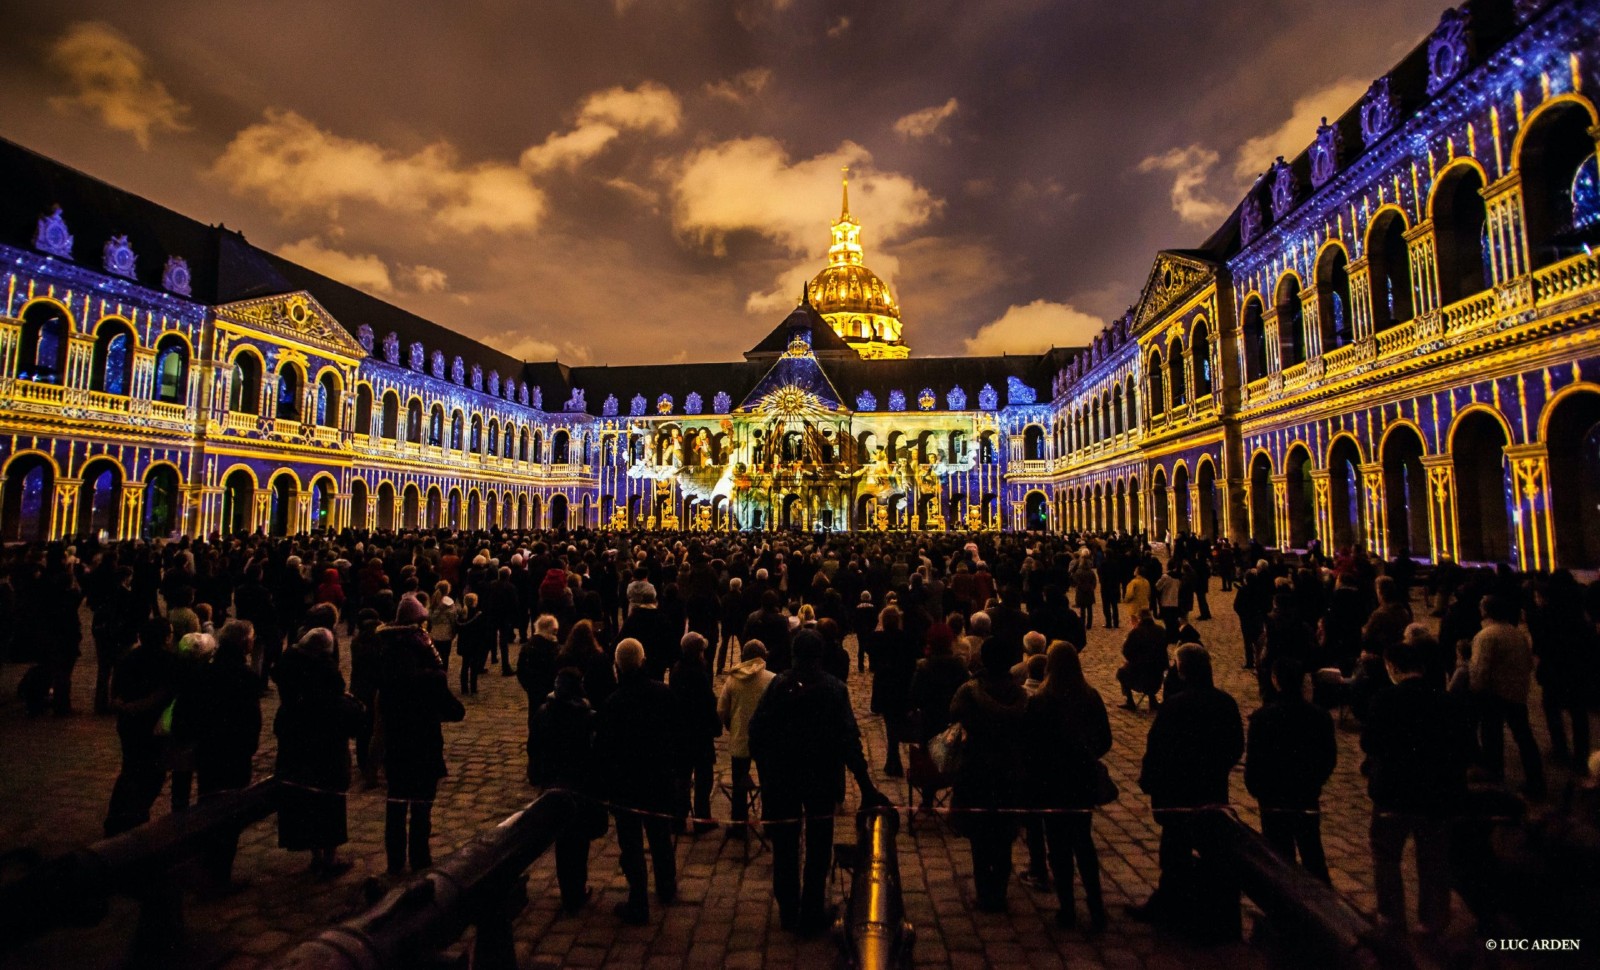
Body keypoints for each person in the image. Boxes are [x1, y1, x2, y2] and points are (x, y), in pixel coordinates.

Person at [750, 629, 888, 934]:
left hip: (784, 779)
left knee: (785, 847)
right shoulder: (833, 689)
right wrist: (864, 783)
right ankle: (811, 910)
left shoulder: (778, 685)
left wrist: (768, 769)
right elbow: (849, 739)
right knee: (818, 847)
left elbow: (756, 730)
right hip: (820, 777)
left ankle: (788, 909)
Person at [1361, 638, 1474, 937]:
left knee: (1386, 856)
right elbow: (1467, 749)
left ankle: (1390, 915)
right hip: (1437, 794)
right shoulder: (1448, 702)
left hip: (1393, 794)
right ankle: (1432, 920)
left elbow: (1369, 742)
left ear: (1393, 668)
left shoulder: (1384, 700)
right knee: (1434, 858)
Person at [1132, 645, 1243, 940]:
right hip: (1211, 788)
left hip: (1178, 791)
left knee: (1174, 851)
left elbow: (1157, 748)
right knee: (1209, 849)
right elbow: (1235, 746)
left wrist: (1149, 780)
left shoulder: (1176, 705)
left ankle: (1176, 906)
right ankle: (1203, 909)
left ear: (1182, 671)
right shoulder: (1225, 703)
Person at [592, 638, 680, 925]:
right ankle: (667, 888)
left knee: (631, 847)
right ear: (642, 661)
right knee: (660, 839)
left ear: (618, 666)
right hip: (658, 781)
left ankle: (639, 900)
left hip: (626, 786)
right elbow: (676, 738)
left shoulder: (613, 703)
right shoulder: (663, 694)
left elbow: (603, 750)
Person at [376, 596, 466, 876]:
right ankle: (419, 856)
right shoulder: (428, 674)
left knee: (396, 800)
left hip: (395, 738)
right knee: (421, 802)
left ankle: (394, 860)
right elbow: (454, 709)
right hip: (423, 740)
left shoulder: (385, 653)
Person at [1026, 642, 1111, 930]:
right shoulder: (1090, 696)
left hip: (1051, 780)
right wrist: (1088, 756)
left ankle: (1068, 908)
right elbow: (1105, 739)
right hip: (1081, 779)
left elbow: (1031, 744)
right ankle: (1096, 906)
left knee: (1059, 846)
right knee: (1084, 843)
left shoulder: (1041, 700)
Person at [171, 621, 260, 888]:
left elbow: (185, 713)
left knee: (208, 802)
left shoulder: (204, 673)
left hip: (207, 750)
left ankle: (207, 862)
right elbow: (251, 721)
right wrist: (248, 747)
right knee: (229, 812)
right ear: (245, 644)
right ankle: (219, 874)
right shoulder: (245, 678)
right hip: (234, 752)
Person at [272, 627, 361, 879]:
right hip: (325, 746)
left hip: (296, 742)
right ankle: (328, 856)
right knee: (328, 799)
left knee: (307, 797)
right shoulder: (324, 675)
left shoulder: (291, 669)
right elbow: (339, 712)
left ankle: (316, 854)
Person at [949, 636, 1030, 913]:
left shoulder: (970, 691)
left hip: (978, 769)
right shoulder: (1020, 695)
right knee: (1004, 833)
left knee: (981, 835)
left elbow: (954, 714)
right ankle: (1000, 890)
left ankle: (985, 892)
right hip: (1008, 770)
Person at [1244, 657, 1336, 883]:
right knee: (1312, 854)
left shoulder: (1263, 717)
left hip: (1273, 798)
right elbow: (1328, 757)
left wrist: (1258, 789)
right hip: (1306, 794)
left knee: (1278, 855)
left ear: (1275, 681)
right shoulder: (1319, 716)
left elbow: (1255, 760)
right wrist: (1315, 781)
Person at [529, 667, 598, 916]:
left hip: (553, 783)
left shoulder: (543, 713)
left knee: (563, 841)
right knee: (578, 841)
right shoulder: (586, 717)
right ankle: (575, 890)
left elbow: (533, 747)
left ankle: (568, 889)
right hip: (578, 785)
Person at [1470, 594, 1546, 800]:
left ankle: (1494, 777)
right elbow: (1529, 663)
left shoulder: (1486, 636)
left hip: (1494, 694)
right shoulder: (1516, 633)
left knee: (1491, 736)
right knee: (1524, 736)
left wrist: (1476, 691)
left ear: (1486, 612)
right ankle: (1535, 778)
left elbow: (1480, 670)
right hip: (1517, 691)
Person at [718, 640, 774, 833]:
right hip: (766, 740)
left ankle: (739, 822)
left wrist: (730, 724)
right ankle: (769, 822)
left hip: (741, 736)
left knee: (739, 782)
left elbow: (722, 709)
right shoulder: (772, 679)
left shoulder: (733, 680)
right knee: (768, 782)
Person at [670, 632, 721, 835]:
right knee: (703, 777)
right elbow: (708, 703)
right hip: (699, 733)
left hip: (681, 732)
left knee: (681, 777)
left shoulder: (677, 669)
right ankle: (701, 817)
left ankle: (678, 818)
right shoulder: (699, 673)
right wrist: (715, 725)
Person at [869, 605, 918, 777]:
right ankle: (894, 758)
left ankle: (893, 758)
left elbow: (873, 661)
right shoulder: (907, 638)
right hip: (903, 684)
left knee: (891, 721)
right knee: (898, 719)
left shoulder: (877, 638)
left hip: (886, 684)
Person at [1115, 610, 1167, 710]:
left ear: (1140, 619)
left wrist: (1132, 661)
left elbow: (1126, 651)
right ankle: (1152, 699)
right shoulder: (1160, 630)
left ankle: (1130, 701)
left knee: (1121, 673)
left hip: (1140, 671)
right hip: (1158, 670)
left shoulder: (1136, 632)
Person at [517, 613, 562, 709]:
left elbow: (520, 670)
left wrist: (528, 686)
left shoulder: (528, 646)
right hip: (547, 688)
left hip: (534, 689)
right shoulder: (553, 648)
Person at [427, 581, 459, 674]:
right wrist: (454, 631)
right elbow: (453, 619)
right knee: (445, 657)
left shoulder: (433, 601)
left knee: (436, 657)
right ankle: (443, 676)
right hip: (446, 633)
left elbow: (430, 618)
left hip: (435, 633)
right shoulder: (449, 603)